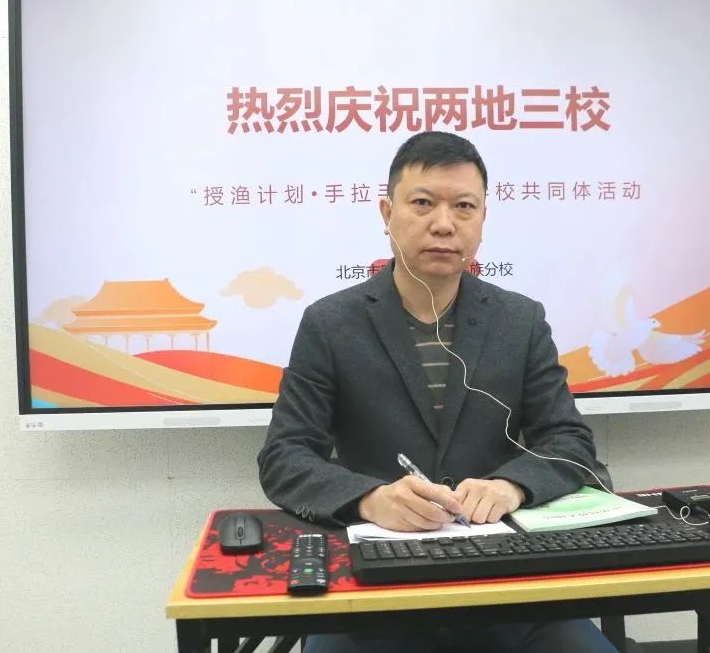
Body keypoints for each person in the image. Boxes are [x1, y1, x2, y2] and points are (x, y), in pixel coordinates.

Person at [257, 131, 616, 653]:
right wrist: (371, 499)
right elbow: (285, 457)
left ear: (483, 218)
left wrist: (512, 486)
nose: (444, 223)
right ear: (387, 213)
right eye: (423, 203)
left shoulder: (520, 320)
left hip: (511, 591)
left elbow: (569, 442)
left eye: (464, 206)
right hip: (375, 599)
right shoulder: (331, 323)